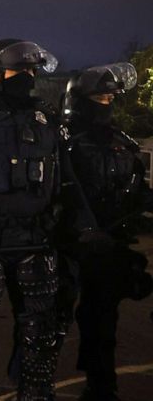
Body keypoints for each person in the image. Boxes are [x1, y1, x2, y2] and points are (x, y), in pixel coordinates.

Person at [0, 39, 108, 401]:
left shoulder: (45, 117)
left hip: (35, 238)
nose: (28, 77)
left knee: (41, 331)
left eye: (32, 70)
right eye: (21, 70)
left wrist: (87, 225)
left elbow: (67, 179)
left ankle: (34, 393)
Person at [61, 63, 153, 400]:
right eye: (100, 96)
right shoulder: (63, 141)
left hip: (110, 244)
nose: (107, 101)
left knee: (102, 321)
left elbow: (136, 190)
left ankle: (101, 385)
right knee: (50, 322)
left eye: (111, 96)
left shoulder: (123, 143)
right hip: (69, 243)